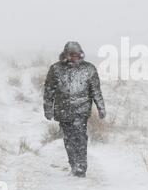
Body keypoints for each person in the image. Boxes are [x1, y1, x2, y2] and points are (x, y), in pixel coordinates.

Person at [43, 41, 106, 177]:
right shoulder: (56, 69)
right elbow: (49, 91)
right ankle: (74, 164)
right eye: (71, 55)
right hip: (63, 111)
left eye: (76, 55)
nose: (73, 57)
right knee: (69, 139)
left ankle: (81, 167)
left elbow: (96, 91)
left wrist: (101, 107)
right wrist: (48, 109)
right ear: (65, 55)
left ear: (80, 54)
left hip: (81, 111)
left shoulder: (89, 69)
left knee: (81, 138)